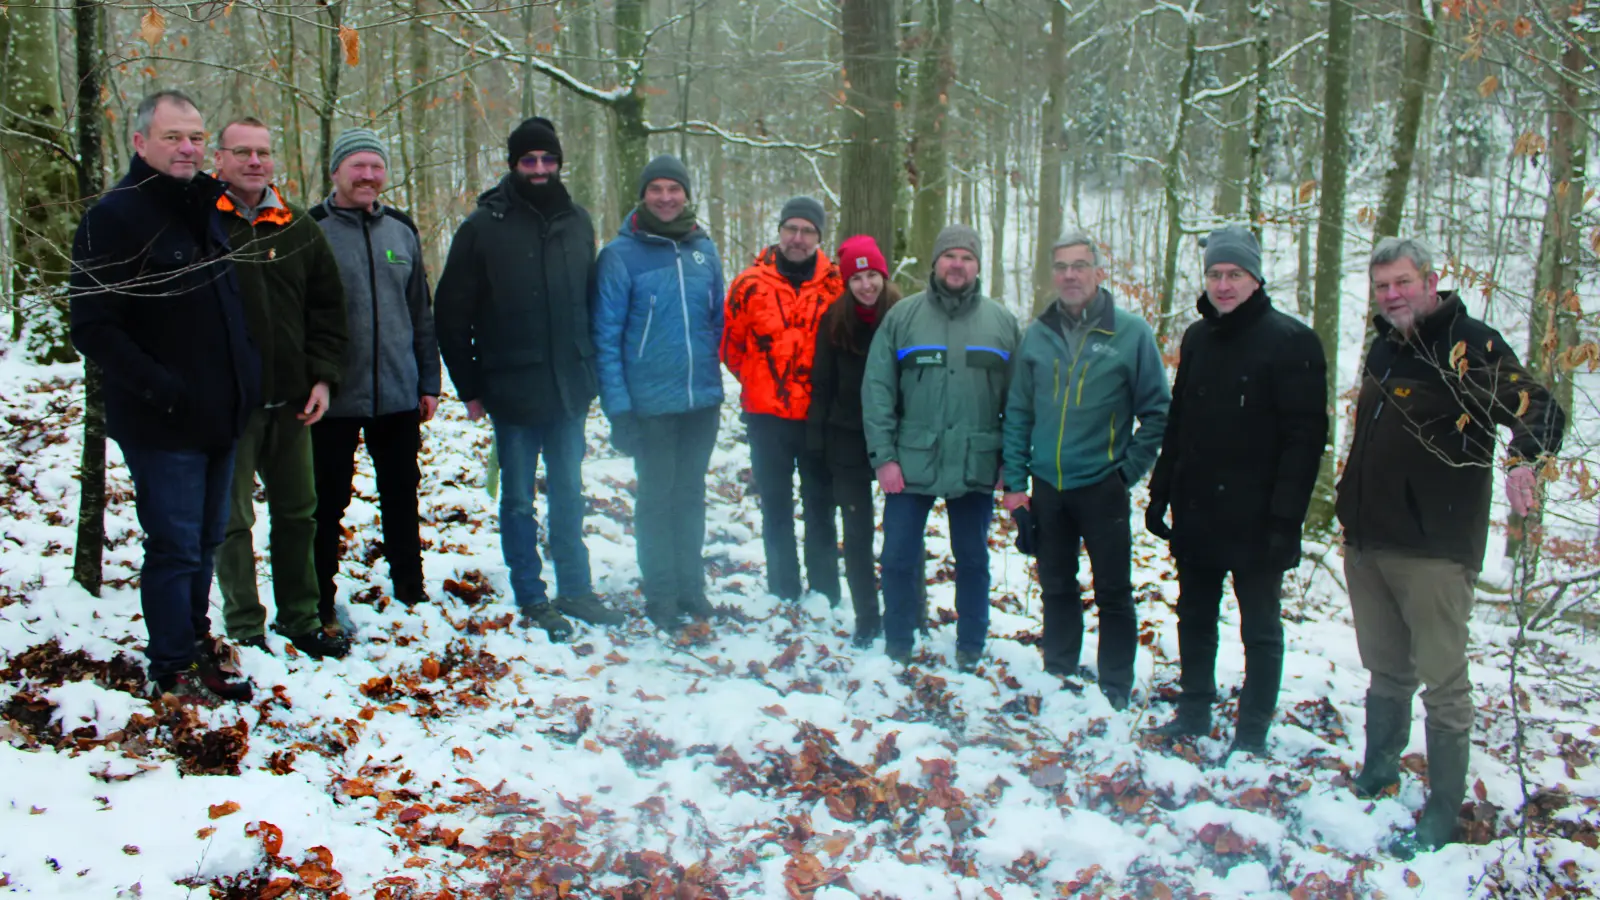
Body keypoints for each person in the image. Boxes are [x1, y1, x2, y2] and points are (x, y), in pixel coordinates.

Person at [1336, 237, 1564, 857]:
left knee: (1443, 685)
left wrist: (1522, 463)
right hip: (1369, 541)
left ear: (1431, 281)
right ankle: (1378, 771)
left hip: (1434, 549)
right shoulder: (1385, 346)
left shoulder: (1470, 345)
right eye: (1382, 287)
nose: (1392, 296)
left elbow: (1539, 407)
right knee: (1386, 670)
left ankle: (1441, 814)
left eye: (1403, 283)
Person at [69, 90, 260, 701]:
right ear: (140, 142)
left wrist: (245, 383)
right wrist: (164, 390)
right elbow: (94, 326)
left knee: (207, 541)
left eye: (197, 138)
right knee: (174, 546)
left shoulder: (206, 207)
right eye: (174, 136)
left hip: (219, 415)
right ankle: (171, 666)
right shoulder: (115, 217)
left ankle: (194, 642)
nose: (188, 148)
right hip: (164, 422)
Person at [435, 117, 622, 640]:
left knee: (569, 491)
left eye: (547, 159)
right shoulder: (483, 228)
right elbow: (451, 314)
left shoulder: (578, 222)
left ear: (559, 162)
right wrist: (469, 387)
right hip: (512, 388)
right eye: (528, 160)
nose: (539, 169)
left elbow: (592, 303)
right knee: (517, 498)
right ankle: (532, 594)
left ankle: (577, 589)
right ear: (513, 164)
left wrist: (594, 372)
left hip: (569, 388)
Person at [1146, 225, 1328, 753]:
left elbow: (1305, 441)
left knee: (1261, 630)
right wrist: (1161, 491)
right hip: (1199, 508)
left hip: (1258, 518)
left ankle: (1251, 734)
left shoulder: (1292, 342)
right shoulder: (1198, 337)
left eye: (1235, 275)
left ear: (1255, 279)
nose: (1223, 285)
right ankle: (1194, 712)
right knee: (1195, 616)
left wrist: (1284, 521)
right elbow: (1179, 419)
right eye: (1215, 274)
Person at [1001, 229, 1169, 708]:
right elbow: (1018, 414)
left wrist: (1126, 471)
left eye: (1079, 266)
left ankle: (1115, 684)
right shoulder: (1035, 336)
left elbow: (1158, 411)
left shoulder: (1130, 333)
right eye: (1061, 267)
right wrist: (1016, 482)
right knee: (1055, 583)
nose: (1070, 275)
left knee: (1113, 590)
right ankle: (1058, 669)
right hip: (1048, 485)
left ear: (1099, 272)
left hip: (1103, 485)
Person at [210, 116, 352, 659]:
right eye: (241, 152)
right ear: (218, 160)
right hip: (232, 405)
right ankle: (245, 625)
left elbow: (327, 308)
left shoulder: (296, 225)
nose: (254, 162)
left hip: (294, 400)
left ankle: (301, 617)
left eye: (263, 152)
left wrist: (323, 377)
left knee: (298, 513)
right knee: (233, 521)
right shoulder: (205, 224)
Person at [862, 224, 1021, 671]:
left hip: (977, 461)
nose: (958, 264)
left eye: (967, 258)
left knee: (972, 558)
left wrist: (1011, 462)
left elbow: (1020, 401)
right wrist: (885, 457)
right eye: (950, 256)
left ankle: (971, 643)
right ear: (935, 263)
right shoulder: (903, 318)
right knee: (896, 557)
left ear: (977, 266)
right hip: (911, 461)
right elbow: (877, 390)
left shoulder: (1001, 323)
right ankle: (898, 639)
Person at [309, 129, 441, 616]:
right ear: (336, 172)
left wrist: (429, 381)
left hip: (400, 394)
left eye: (376, 166)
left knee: (401, 494)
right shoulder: (311, 229)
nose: (367, 175)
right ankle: (319, 596)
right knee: (326, 502)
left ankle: (410, 587)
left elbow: (419, 312)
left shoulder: (401, 230)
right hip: (332, 398)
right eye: (357, 166)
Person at [593, 155, 725, 631]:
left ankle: (692, 585)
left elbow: (716, 322)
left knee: (690, 495)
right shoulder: (620, 255)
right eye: (656, 189)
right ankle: (662, 594)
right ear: (643, 194)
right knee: (656, 498)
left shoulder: (704, 250)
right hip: (649, 406)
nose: (666, 197)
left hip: (700, 402)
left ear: (687, 195)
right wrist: (619, 410)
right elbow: (605, 337)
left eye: (675, 188)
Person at [723, 196, 842, 604]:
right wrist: (760, 382)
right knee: (775, 505)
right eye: (791, 228)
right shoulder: (749, 284)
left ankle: (825, 589)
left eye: (808, 231)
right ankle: (783, 587)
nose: (798, 238)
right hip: (766, 418)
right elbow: (731, 348)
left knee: (821, 506)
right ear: (779, 232)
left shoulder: (836, 286)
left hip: (818, 418)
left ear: (819, 238)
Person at [807, 235, 901, 646]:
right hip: (847, 439)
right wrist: (817, 440)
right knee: (857, 533)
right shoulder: (834, 319)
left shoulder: (903, 315)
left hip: (897, 440)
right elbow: (821, 383)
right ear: (846, 282)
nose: (866, 285)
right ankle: (867, 616)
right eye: (857, 277)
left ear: (884, 275)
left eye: (873, 275)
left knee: (902, 536)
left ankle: (907, 611)